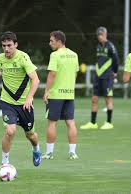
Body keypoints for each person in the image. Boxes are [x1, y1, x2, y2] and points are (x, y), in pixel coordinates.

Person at [0, 31, 41, 166]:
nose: (6, 49)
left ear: (16, 45)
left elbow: (35, 80)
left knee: (31, 135)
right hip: (7, 102)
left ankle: (36, 149)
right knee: (10, 131)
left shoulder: (23, 58)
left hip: (24, 104)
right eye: (4, 46)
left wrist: (29, 99)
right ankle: (5, 163)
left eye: (9, 45)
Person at [42, 30, 79, 160]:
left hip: (56, 94)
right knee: (70, 123)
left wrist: (46, 91)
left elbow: (52, 74)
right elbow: (75, 73)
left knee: (52, 123)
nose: (50, 43)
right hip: (69, 94)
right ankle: (72, 153)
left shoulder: (55, 55)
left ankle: (49, 153)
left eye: (51, 41)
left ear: (59, 41)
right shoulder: (74, 55)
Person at [80, 27, 119, 130]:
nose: (99, 37)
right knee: (94, 99)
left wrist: (115, 72)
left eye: (101, 35)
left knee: (108, 99)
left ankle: (109, 122)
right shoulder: (98, 47)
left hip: (107, 77)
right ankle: (93, 123)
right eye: (98, 35)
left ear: (106, 35)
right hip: (98, 77)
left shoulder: (111, 47)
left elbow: (116, 60)